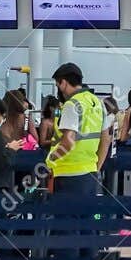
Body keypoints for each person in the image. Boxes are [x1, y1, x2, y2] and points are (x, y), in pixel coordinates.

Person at [47, 63, 109, 199]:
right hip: (90, 173)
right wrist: (96, 168)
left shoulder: (71, 104)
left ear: (63, 83)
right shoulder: (98, 103)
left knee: (65, 219)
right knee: (86, 218)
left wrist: (49, 161)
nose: (59, 91)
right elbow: (106, 140)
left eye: (58, 85)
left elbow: (68, 143)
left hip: (67, 174)